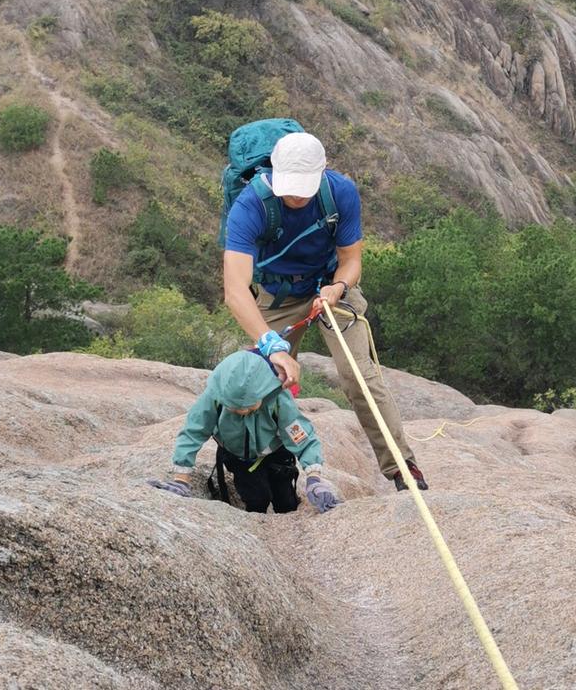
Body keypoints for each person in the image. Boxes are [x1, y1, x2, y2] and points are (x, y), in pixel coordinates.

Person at [222, 130, 428, 492]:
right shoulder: (251, 205)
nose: (297, 195)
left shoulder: (340, 192)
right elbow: (235, 291)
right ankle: (267, 467)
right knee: (264, 381)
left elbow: (351, 261)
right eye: (290, 186)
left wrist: (337, 288)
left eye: (305, 186)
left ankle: (401, 466)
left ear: (322, 173)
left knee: (358, 375)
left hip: (329, 289)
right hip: (277, 296)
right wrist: (271, 345)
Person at [168, 349, 339, 514]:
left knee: (286, 501)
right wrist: (181, 479)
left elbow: (302, 437)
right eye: (233, 407)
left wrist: (314, 479)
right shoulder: (213, 397)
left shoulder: (277, 399)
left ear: (265, 391)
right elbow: (193, 432)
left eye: (250, 406)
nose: (242, 411)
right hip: (241, 458)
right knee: (257, 499)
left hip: (276, 453)